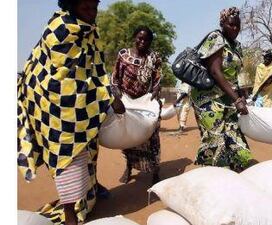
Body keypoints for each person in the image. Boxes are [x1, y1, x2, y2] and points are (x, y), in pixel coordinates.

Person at [17, 0, 125, 224]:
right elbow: (66, 77)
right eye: (87, 8)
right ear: (72, 5)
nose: (92, 13)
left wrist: (105, 93)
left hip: (82, 103)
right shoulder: (62, 28)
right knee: (66, 155)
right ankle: (69, 214)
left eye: (95, 7)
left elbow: (93, 67)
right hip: (55, 103)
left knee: (88, 148)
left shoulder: (87, 30)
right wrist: (109, 97)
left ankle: (89, 190)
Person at [190, 7, 252, 172]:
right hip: (208, 99)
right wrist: (237, 99)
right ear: (222, 23)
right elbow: (216, 72)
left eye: (238, 25)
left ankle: (233, 172)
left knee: (232, 133)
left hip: (228, 97)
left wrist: (240, 96)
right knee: (216, 138)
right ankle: (215, 178)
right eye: (231, 25)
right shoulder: (216, 38)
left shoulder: (237, 45)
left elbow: (234, 76)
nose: (235, 29)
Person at [111, 26, 163, 184]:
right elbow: (115, 78)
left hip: (145, 103)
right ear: (135, 37)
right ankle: (129, 167)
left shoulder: (154, 58)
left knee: (151, 137)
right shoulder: (123, 55)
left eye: (146, 39)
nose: (142, 41)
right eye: (140, 38)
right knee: (128, 137)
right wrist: (116, 94)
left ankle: (155, 171)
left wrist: (153, 95)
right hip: (126, 102)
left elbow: (157, 81)